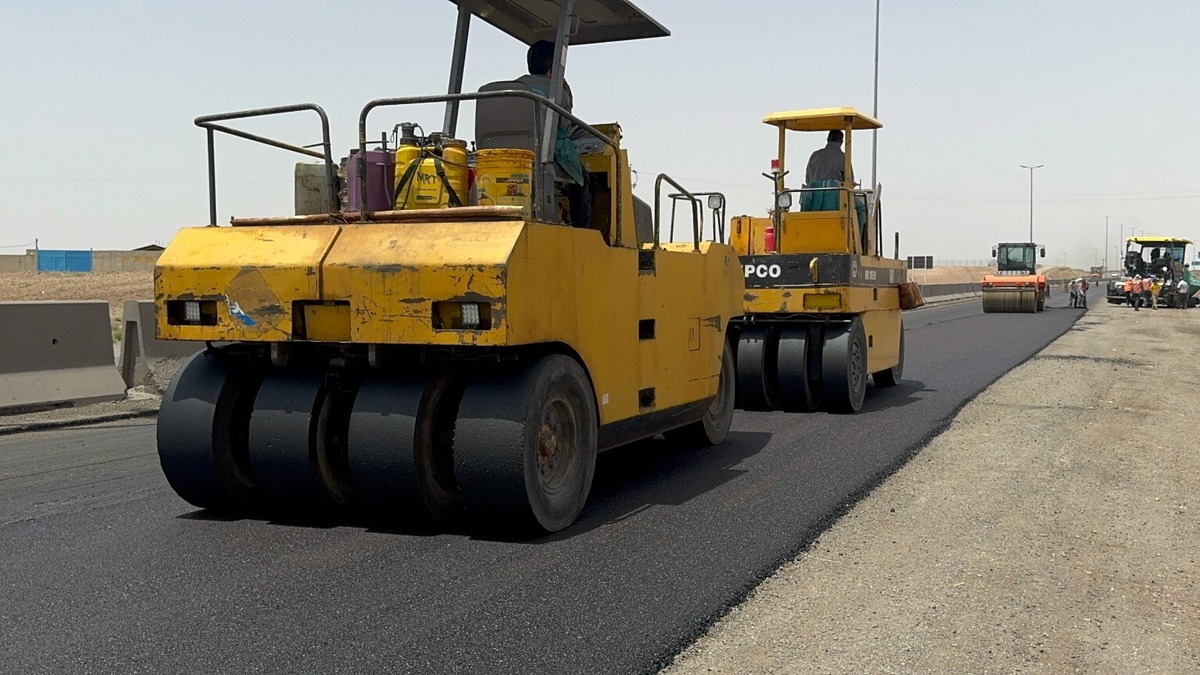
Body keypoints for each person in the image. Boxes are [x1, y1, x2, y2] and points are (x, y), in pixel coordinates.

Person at [516, 40, 590, 227]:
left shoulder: (514, 87)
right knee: (585, 178)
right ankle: (583, 230)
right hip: (541, 155)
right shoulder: (556, 92)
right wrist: (567, 94)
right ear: (553, 67)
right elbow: (565, 127)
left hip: (511, 153)